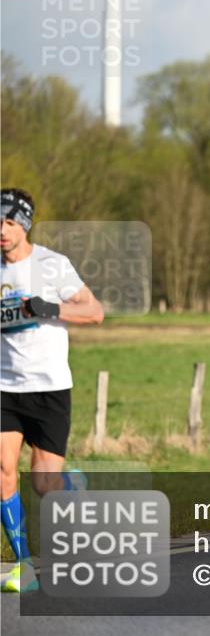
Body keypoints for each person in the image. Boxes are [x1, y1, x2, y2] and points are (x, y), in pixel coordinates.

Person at [1, 188, 104, 593]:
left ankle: (70, 484)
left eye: (9, 222)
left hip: (48, 388)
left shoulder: (52, 265)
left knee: (45, 485)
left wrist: (49, 308)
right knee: (4, 471)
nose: (2, 231)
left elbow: (94, 312)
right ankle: (23, 565)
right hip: (5, 386)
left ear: (24, 225)